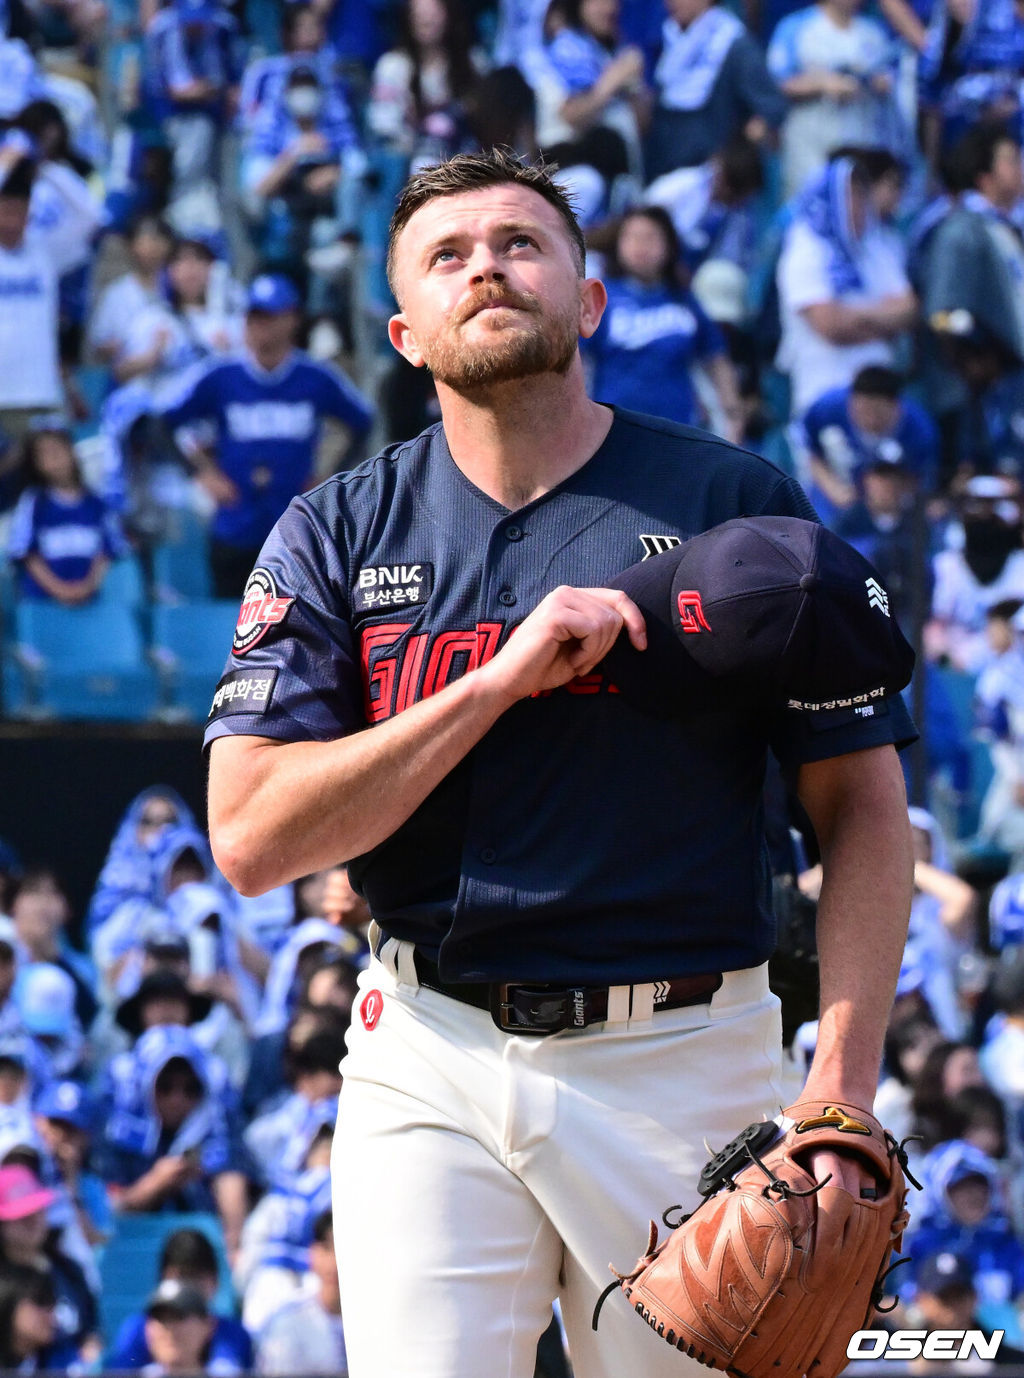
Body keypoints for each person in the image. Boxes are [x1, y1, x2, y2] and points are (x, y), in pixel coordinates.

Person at [204, 149, 916, 1378]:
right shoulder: (335, 530)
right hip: (426, 1044)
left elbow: (862, 808)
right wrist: (493, 683)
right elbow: (252, 836)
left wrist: (840, 1089)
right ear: (405, 336)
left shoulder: (736, 504)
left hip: (682, 1058)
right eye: (447, 255)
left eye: (520, 243)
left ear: (589, 302)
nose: (485, 266)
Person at [155, 273, 374, 597]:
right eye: (254, 317)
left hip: (296, 531)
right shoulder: (222, 375)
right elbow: (162, 423)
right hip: (235, 525)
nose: (261, 326)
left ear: (292, 319)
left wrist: (330, 478)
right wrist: (201, 474)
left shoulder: (316, 377)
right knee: (230, 619)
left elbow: (363, 422)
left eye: (270, 317)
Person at [582, 205, 743, 436]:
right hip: (614, 431)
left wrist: (733, 414)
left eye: (650, 238)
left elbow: (716, 357)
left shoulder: (684, 300)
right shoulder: (602, 298)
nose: (640, 246)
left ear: (669, 245)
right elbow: (579, 361)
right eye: (632, 237)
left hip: (677, 432)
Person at [6, 416, 130, 604]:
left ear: (72, 451)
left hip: (92, 603)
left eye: (58, 449)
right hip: (44, 605)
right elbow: (26, 553)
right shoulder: (34, 503)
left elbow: (108, 551)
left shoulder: (97, 503)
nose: (54, 458)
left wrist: (87, 587)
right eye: (44, 453)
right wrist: (61, 590)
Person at [106, 1226, 253, 1372]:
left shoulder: (233, 1334)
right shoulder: (140, 1328)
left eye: (196, 1278)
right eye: (163, 1319)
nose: (187, 1289)